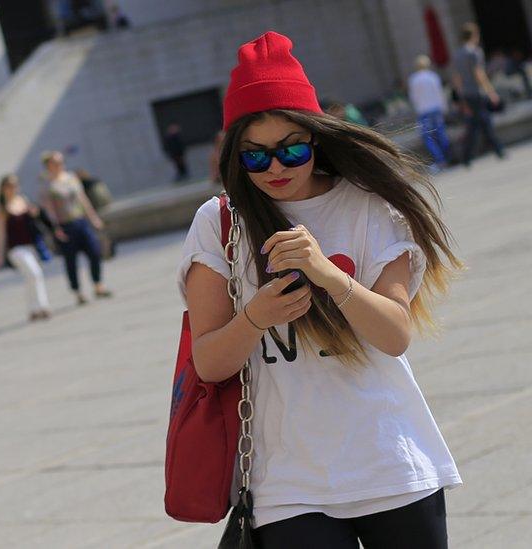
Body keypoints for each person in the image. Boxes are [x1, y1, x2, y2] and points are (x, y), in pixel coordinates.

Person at [178, 32, 462, 546]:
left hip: (391, 462)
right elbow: (210, 363)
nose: (278, 168)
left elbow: (395, 335)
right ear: (234, 158)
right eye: (256, 156)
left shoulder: (369, 207)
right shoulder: (219, 224)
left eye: (292, 149)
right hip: (288, 485)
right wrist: (255, 317)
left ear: (316, 137)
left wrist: (329, 274)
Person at [39, 151, 111, 305]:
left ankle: (98, 284)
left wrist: (93, 218)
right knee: (71, 260)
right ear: (48, 165)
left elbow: (83, 199)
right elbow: (49, 210)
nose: (60, 164)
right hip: (64, 225)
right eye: (56, 162)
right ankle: (78, 292)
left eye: (61, 161)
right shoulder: (47, 184)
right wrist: (55, 228)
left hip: (80, 221)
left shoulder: (71, 178)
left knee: (94, 251)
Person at [0, 174, 52, 322]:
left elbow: (36, 220)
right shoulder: (2, 209)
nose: (13, 189)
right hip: (16, 249)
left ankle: (33, 310)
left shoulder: (24, 201)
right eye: (9, 186)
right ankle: (42, 307)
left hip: (32, 246)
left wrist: (34, 213)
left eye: (15, 185)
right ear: (3, 189)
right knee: (35, 273)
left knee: (30, 278)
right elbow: (1, 235)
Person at [451, 22, 506, 165]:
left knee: (475, 124)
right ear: (474, 35)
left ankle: (469, 156)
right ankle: (498, 149)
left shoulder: (457, 54)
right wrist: (491, 91)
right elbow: (479, 74)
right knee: (483, 121)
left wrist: (461, 96)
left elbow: (457, 77)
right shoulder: (474, 52)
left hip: (466, 94)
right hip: (476, 92)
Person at [408, 55, 453, 170]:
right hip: (436, 109)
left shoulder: (414, 79)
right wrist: (444, 107)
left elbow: (414, 98)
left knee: (428, 137)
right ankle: (448, 158)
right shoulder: (433, 76)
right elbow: (439, 93)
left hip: (424, 111)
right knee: (441, 134)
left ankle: (440, 160)